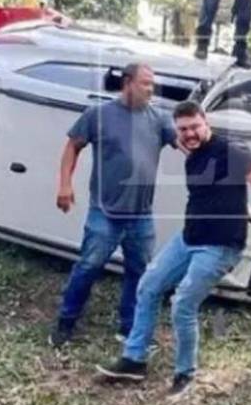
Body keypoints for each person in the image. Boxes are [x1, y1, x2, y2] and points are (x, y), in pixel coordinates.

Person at [97, 101, 251, 396]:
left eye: (194, 127)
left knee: (183, 303)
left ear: (205, 122)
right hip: (189, 238)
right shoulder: (193, 157)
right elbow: (231, 197)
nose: (189, 134)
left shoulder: (231, 151)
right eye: (183, 130)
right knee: (148, 286)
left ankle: (185, 374)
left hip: (220, 246)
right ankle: (134, 360)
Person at [50, 63, 177, 347]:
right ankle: (65, 323)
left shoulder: (159, 119)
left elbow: (184, 142)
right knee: (88, 267)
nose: (150, 89)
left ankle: (129, 327)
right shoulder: (99, 114)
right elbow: (73, 146)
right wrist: (65, 185)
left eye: (152, 84)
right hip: (105, 213)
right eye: (145, 83)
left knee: (139, 273)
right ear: (128, 83)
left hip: (141, 216)